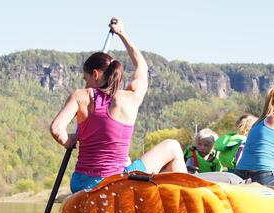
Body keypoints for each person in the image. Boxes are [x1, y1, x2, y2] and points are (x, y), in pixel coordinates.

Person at [50, 17, 187, 193]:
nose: (85, 84)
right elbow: (142, 67)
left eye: (86, 79)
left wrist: (68, 141)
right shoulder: (130, 98)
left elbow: (56, 128)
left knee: (127, 160)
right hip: (116, 183)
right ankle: (181, 205)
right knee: (173, 147)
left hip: (81, 184)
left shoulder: (80, 97)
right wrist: (122, 33)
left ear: (95, 74)